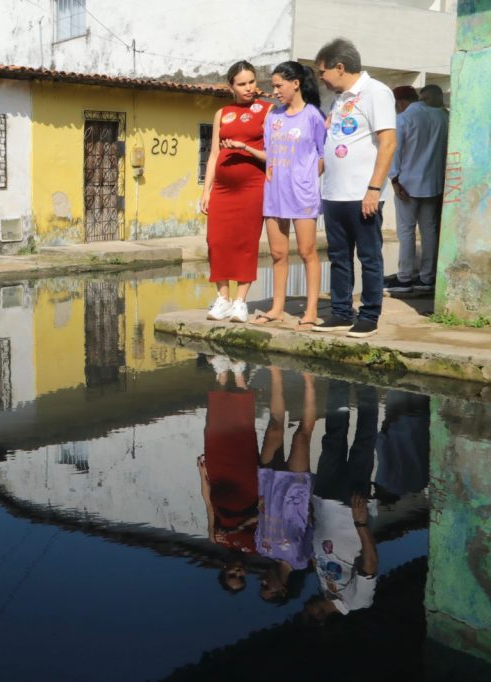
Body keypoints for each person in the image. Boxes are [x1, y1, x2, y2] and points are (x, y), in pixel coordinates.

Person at [312, 38, 397, 339]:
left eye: (322, 72)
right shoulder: (338, 99)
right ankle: (340, 311)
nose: (321, 78)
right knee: (338, 257)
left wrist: (373, 188)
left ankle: (369, 315)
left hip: (362, 194)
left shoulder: (376, 92)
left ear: (340, 67)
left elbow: (388, 143)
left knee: (369, 257)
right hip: (334, 193)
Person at [252, 62, 326, 331]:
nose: (275, 91)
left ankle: (311, 310)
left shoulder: (313, 116)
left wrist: (307, 179)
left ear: (296, 84)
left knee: (307, 252)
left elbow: (323, 154)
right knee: (277, 253)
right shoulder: (273, 116)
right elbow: (269, 153)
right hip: (274, 194)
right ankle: (277, 309)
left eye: (278, 85)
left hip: (302, 195)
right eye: (273, 86)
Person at [200, 61, 270, 324]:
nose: (248, 88)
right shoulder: (222, 113)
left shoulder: (267, 110)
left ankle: (241, 302)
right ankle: (223, 299)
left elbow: (272, 153)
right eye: (242, 84)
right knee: (216, 241)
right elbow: (214, 154)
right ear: (231, 86)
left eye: (252, 82)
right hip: (222, 188)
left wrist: (245, 147)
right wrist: (206, 191)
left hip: (252, 186)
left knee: (246, 243)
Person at [309, 379, 379, 618]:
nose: (304, 607)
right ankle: (366, 386)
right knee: (363, 443)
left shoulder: (325, 589)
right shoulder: (356, 602)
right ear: (319, 618)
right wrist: (361, 522)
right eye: (305, 613)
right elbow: (370, 564)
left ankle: (338, 382)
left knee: (332, 439)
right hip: (350, 507)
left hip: (323, 498)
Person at [256, 367, 316, 603]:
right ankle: (309, 380)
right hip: (294, 496)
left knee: (274, 429)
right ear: (283, 590)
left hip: (269, 489)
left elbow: (260, 519)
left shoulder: (262, 549)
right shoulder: (301, 560)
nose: (263, 580)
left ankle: (276, 374)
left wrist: (259, 503)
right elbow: (313, 528)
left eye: (261, 585)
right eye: (267, 587)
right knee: (301, 436)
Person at [385, 84, 449, 295]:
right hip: (433, 183)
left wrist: (394, 179)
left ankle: (404, 278)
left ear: (399, 103)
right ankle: (426, 277)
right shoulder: (442, 117)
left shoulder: (404, 119)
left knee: (406, 231)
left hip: (407, 184)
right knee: (429, 230)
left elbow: (395, 151)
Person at [197, 355, 259, 555]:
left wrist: (203, 475)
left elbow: (209, 506)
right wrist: (239, 527)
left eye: (232, 571)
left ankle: (222, 371)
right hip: (246, 481)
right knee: (243, 426)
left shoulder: (217, 540)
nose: (236, 569)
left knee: (215, 424)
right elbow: (265, 517)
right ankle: (239, 372)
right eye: (240, 571)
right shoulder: (255, 548)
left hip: (219, 475)